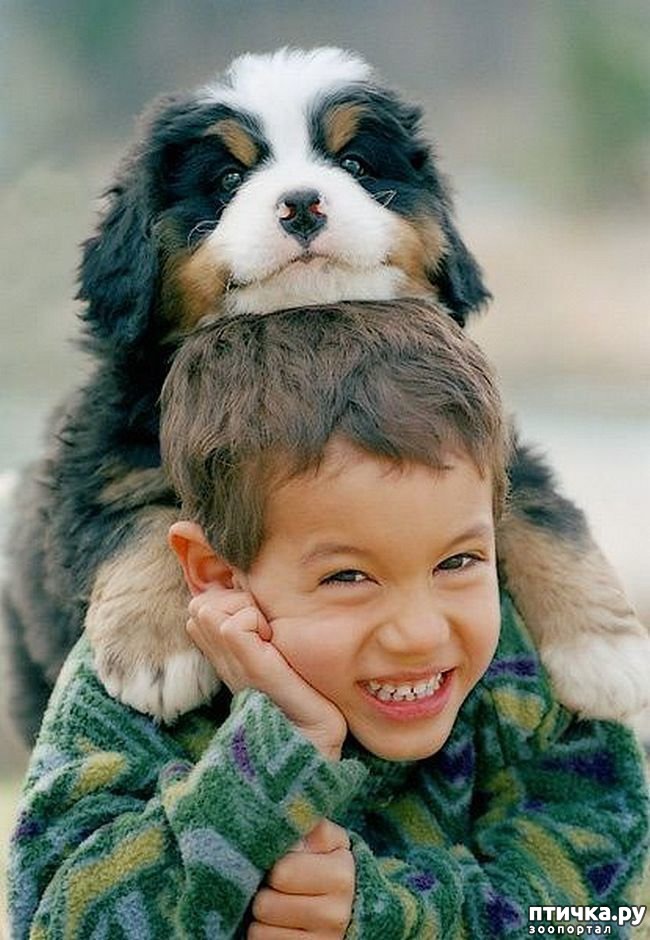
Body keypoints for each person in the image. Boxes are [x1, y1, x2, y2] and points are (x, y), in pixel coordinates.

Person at [8, 300, 648, 939]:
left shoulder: (528, 670)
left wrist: (384, 917)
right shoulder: (135, 688)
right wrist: (277, 752)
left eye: (457, 561)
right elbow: (56, 921)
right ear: (217, 573)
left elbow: (603, 914)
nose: (420, 633)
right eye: (348, 577)